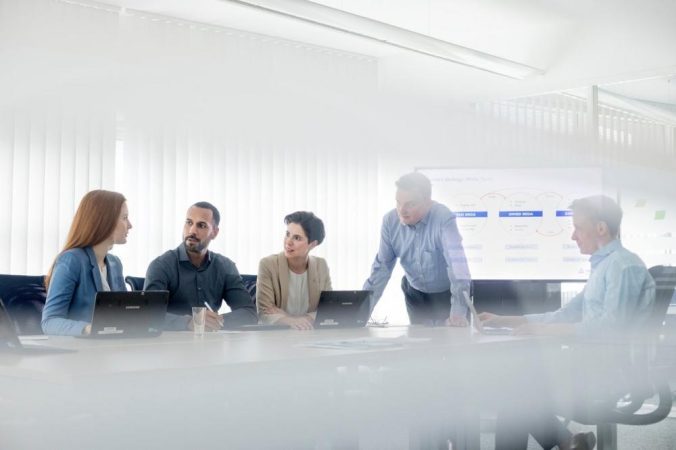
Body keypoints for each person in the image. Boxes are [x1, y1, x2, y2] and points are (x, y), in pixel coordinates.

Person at [480, 195, 656, 450]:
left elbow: (611, 329)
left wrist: (543, 331)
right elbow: (565, 314)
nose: (573, 236)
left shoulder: (623, 267)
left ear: (601, 228)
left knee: (514, 389)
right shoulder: (605, 266)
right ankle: (568, 442)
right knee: (515, 388)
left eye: (578, 228)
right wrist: (505, 320)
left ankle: (566, 441)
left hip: (606, 373)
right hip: (591, 365)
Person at [363, 172, 471, 326]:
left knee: (452, 337)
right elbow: (381, 269)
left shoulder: (444, 219)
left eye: (410, 204)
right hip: (415, 294)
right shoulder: (389, 221)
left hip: (447, 294)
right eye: (398, 202)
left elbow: (458, 268)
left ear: (428, 202)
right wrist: (360, 313)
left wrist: (458, 313)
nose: (402, 210)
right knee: (418, 338)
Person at [144, 201, 257, 330]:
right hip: (172, 340)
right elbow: (148, 314)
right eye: (189, 222)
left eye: (201, 225)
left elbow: (249, 313)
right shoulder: (161, 266)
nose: (192, 231)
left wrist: (215, 321)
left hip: (211, 340)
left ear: (214, 232)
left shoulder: (225, 266)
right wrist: (189, 322)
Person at [42, 190, 132, 336]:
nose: (130, 225)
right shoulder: (71, 260)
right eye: (125, 218)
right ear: (105, 221)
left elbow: (124, 312)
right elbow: (50, 322)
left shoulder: (115, 263)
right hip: (80, 348)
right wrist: (89, 329)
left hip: (111, 345)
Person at [257, 211, 331, 330]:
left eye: (297, 238)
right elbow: (265, 312)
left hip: (309, 333)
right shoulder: (268, 264)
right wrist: (291, 321)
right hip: (276, 335)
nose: (288, 242)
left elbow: (328, 310)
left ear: (312, 244)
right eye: (287, 234)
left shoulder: (321, 266)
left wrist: (291, 318)